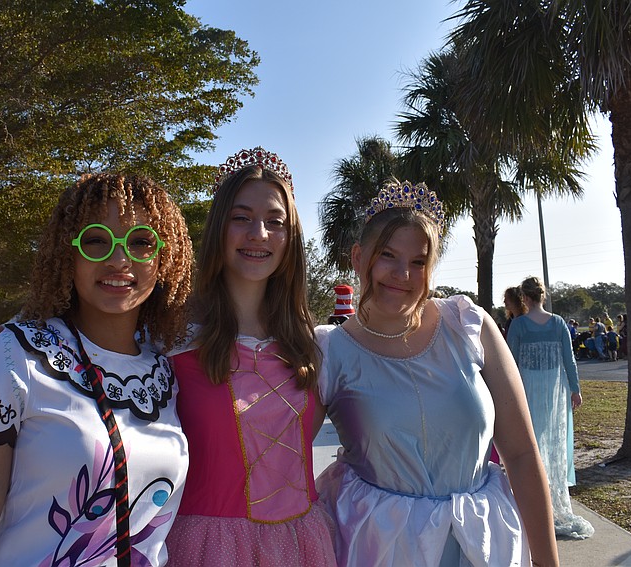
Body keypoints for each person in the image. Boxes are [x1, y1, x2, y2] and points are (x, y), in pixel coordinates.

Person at [0, 173, 194, 567]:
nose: (119, 259)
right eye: (97, 240)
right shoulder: (19, 356)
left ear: (166, 259)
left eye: (142, 242)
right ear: (68, 253)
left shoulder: (170, 368)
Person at [316, 181, 558, 567]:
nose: (402, 274)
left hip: (481, 546)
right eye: (388, 255)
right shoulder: (330, 350)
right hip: (378, 548)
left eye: (418, 262)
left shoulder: (469, 325)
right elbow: (282, 458)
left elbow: (522, 453)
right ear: (359, 257)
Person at [163, 147, 336, 566]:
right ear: (219, 227)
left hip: (302, 548)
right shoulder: (170, 338)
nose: (259, 233)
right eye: (241, 218)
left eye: (275, 222)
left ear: (290, 237)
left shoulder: (313, 344)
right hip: (207, 550)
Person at [507, 276, 594, 540]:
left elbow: (509, 361)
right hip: (554, 391)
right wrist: (575, 389)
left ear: (524, 298)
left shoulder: (519, 325)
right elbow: (570, 360)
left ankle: (531, 501)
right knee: (551, 443)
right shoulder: (558, 324)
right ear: (542, 296)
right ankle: (551, 499)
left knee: (531, 442)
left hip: (528, 389)